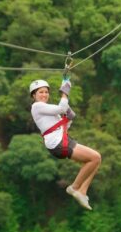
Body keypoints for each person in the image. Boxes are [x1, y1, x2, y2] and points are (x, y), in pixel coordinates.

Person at [30, 79, 101, 210]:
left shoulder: (46, 108)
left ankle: (82, 191)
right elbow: (61, 107)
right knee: (95, 157)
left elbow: (64, 124)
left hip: (61, 141)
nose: (44, 95)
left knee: (95, 160)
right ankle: (74, 188)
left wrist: (68, 118)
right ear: (34, 95)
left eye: (46, 92)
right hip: (58, 143)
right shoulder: (37, 106)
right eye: (40, 92)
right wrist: (64, 93)